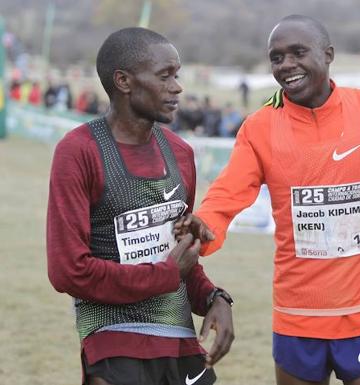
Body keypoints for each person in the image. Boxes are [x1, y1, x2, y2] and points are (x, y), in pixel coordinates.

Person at [175, 14, 360, 385]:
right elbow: (228, 192)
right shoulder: (261, 126)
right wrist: (205, 225)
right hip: (296, 315)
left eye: (298, 52)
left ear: (328, 54)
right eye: (277, 57)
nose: (286, 65)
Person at [46, 27, 234, 385]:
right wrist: (164, 275)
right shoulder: (79, 152)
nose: (177, 86)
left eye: (177, 75)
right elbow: (68, 271)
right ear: (124, 81)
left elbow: (179, 258)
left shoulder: (180, 152)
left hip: (179, 340)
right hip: (114, 339)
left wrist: (213, 298)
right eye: (165, 76)